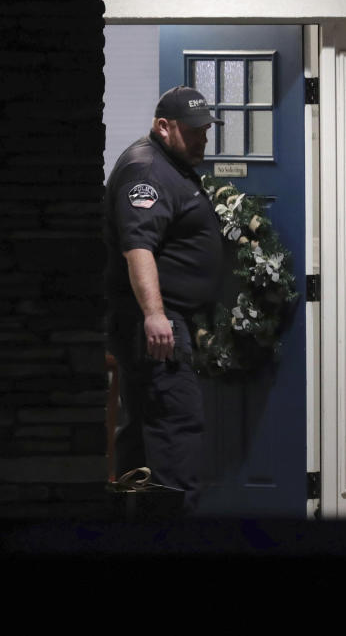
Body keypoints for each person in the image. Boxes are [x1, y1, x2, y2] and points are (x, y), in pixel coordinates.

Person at [103, 86, 224, 514]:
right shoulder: (148, 171)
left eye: (206, 130)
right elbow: (138, 247)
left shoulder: (168, 165)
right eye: (193, 131)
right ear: (163, 127)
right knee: (176, 431)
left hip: (159, 322)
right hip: (154, 327)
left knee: (143, 436)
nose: (203, 138)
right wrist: (156, 315)